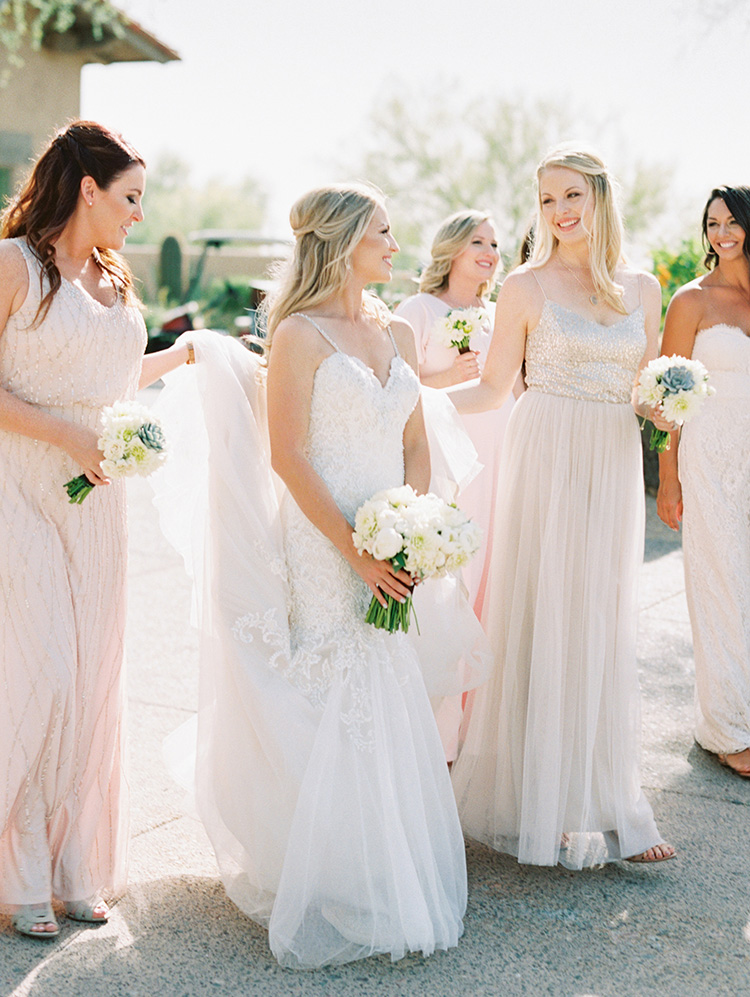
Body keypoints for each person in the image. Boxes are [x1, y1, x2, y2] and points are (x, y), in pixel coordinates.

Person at [151, 183, 469, 969]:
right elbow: (288, 455)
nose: (397, 247)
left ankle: (382, 863)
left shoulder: (392, 327)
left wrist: (414, 525)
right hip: (326, 538)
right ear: (344, 240)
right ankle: (329, 866)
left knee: (386, 677)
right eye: (385, 234)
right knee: (332, 681)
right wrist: (356, 548)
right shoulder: (298, 333)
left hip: (389, 534)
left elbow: (416, 437)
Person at [448, 146, 677, 868]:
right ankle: (534, 803)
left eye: (570, 194)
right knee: (544, 617)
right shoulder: (524, 284)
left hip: (611, 456)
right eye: (546, 199)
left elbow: (648, 387)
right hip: (544, 451)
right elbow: (491, 388)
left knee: (599, 623)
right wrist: (406, 404)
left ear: (601, 196)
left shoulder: (643, 288)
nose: (558, 211)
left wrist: (668, 410)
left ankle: (610, 801)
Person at [0, 121, 189, 939]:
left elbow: (109, 379)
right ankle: (16, 874)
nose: (138, 215)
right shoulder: (12, 267)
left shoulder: (117, 280)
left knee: (87, 682)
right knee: (37, 672)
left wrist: (185, 359)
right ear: (87, 188)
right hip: (18, 484)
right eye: (131, 197)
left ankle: (71, 867)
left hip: (97, 500)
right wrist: (67, 434)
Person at [656, 185, 750, 779]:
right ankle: (727, 727)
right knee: (719, 581)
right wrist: (669, 477)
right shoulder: (691, 301)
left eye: (731, 221)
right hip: (710, 454)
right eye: (712, 223)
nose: (721, 233)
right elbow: (669, 398)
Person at [395, 211, 518, 616]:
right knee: (452, 565)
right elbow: (392, 394)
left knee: (497, 560)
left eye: (495, 244)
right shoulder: (419, 310)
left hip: (501, 456)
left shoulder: (502, 313)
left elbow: (517, 388)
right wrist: (448, 377)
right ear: (451, 249)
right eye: (478, 242)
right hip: (445, 460)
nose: (490, 253)